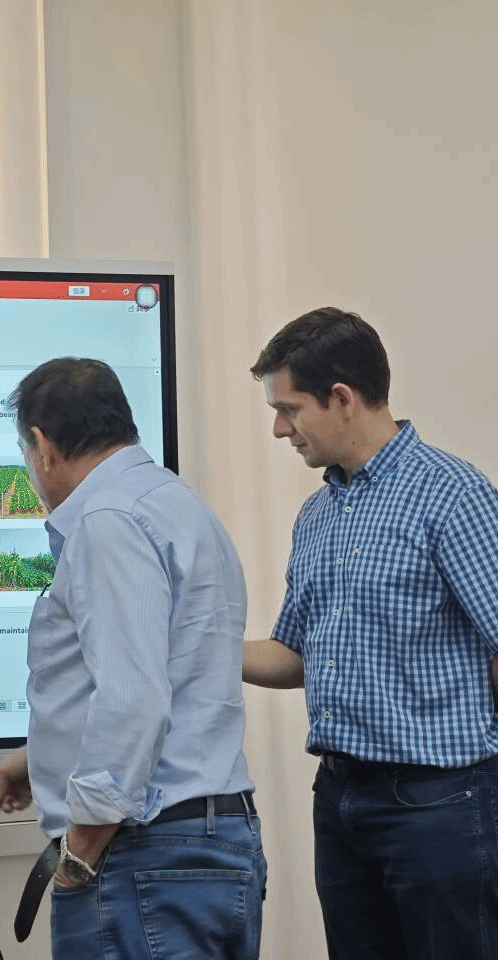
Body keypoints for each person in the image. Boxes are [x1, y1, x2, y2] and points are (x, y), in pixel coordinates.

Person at [0, 358, 265, 959]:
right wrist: (41, 757)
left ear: (43, 447)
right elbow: (170, 672)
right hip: (207, 843)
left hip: (145, 852)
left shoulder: (106, 521)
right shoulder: (175, 504)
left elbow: (133, 699)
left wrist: (82, 848)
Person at [243, 307, 498, 959]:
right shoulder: (317, 515)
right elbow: (294, 654)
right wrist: (190, 646)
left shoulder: (453, 495)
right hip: (339, 800)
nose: (279, 429)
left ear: (341, 398)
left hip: (439, 803)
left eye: (289, 409)